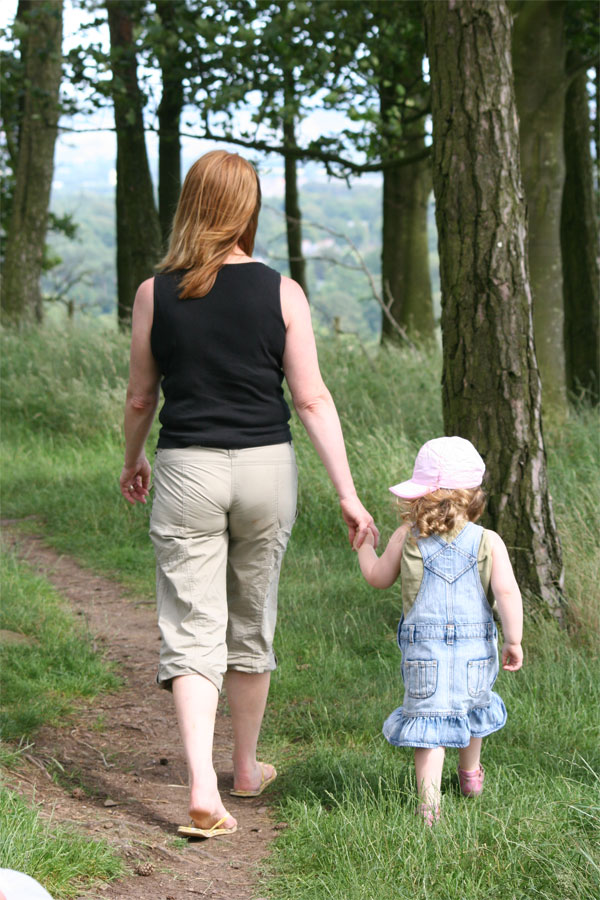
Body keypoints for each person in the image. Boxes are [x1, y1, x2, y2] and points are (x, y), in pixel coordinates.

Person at [119, 149, 377, 838]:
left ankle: (203, 784)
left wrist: (132, 458)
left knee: (192, 627)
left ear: (191, 205)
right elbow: (313, 399)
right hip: (267, 468)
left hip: (188, 470)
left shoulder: (154, 293)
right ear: (246, 209)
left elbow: (143, 394)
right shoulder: (282, 291)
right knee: (250, 618)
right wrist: (348, 493)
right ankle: (244, 767)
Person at [354, 436, 523, 825]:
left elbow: (379, 578)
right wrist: (513, 639)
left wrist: (364, 545)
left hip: (424, 655)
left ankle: (429, 807)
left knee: (429, 727)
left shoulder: (406, 537)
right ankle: (469, 777)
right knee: (473, 709)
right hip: (475, 654)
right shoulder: (489, 541)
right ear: (472, 495)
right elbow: (507, 592)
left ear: (421, 494)